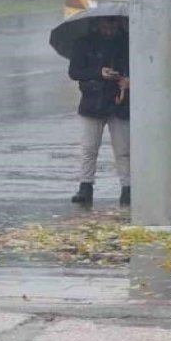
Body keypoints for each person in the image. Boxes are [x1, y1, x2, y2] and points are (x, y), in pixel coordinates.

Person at [67, 16, 131, 206]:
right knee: (89, 148)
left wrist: (128, 80)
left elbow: (139, 66)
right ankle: (85, 186)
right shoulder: (84, 43)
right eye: (104, 27)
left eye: (112, 27)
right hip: (92, 101)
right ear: (96, 25)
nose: (109, 31)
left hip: (119, 101)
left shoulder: (128, 42)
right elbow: (74, 72)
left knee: (123, 149)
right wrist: (98, 72)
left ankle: (127, 188)